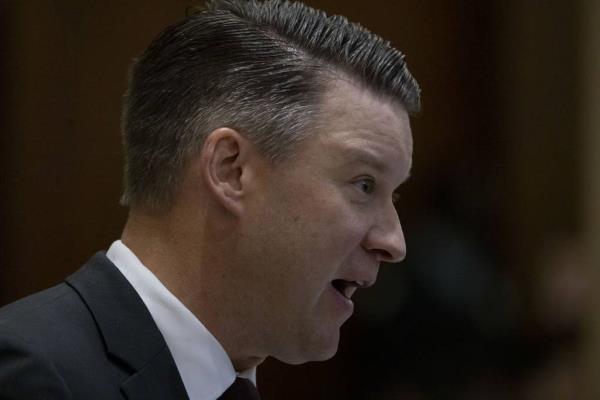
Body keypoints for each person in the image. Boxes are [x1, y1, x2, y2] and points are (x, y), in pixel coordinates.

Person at [0, 0, 420, 398]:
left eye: (393, 193)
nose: (394, 241)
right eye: (365, 185)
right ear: (230, 170)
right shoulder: (32, 375)